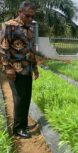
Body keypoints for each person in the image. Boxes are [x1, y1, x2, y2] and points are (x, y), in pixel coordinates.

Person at [0, 1, 39, 138]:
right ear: (20, 12)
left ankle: (23, 124)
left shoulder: (30, 28)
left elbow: (31, 49)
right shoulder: (9, 26)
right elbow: (3, 49)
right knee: (19, 98)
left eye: (32, 16)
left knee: (26, 97)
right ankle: (18, 129)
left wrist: (34, 68)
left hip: (27, 69)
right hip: (15, 70)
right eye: (27, 16)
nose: (30, 19)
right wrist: (7, 68)